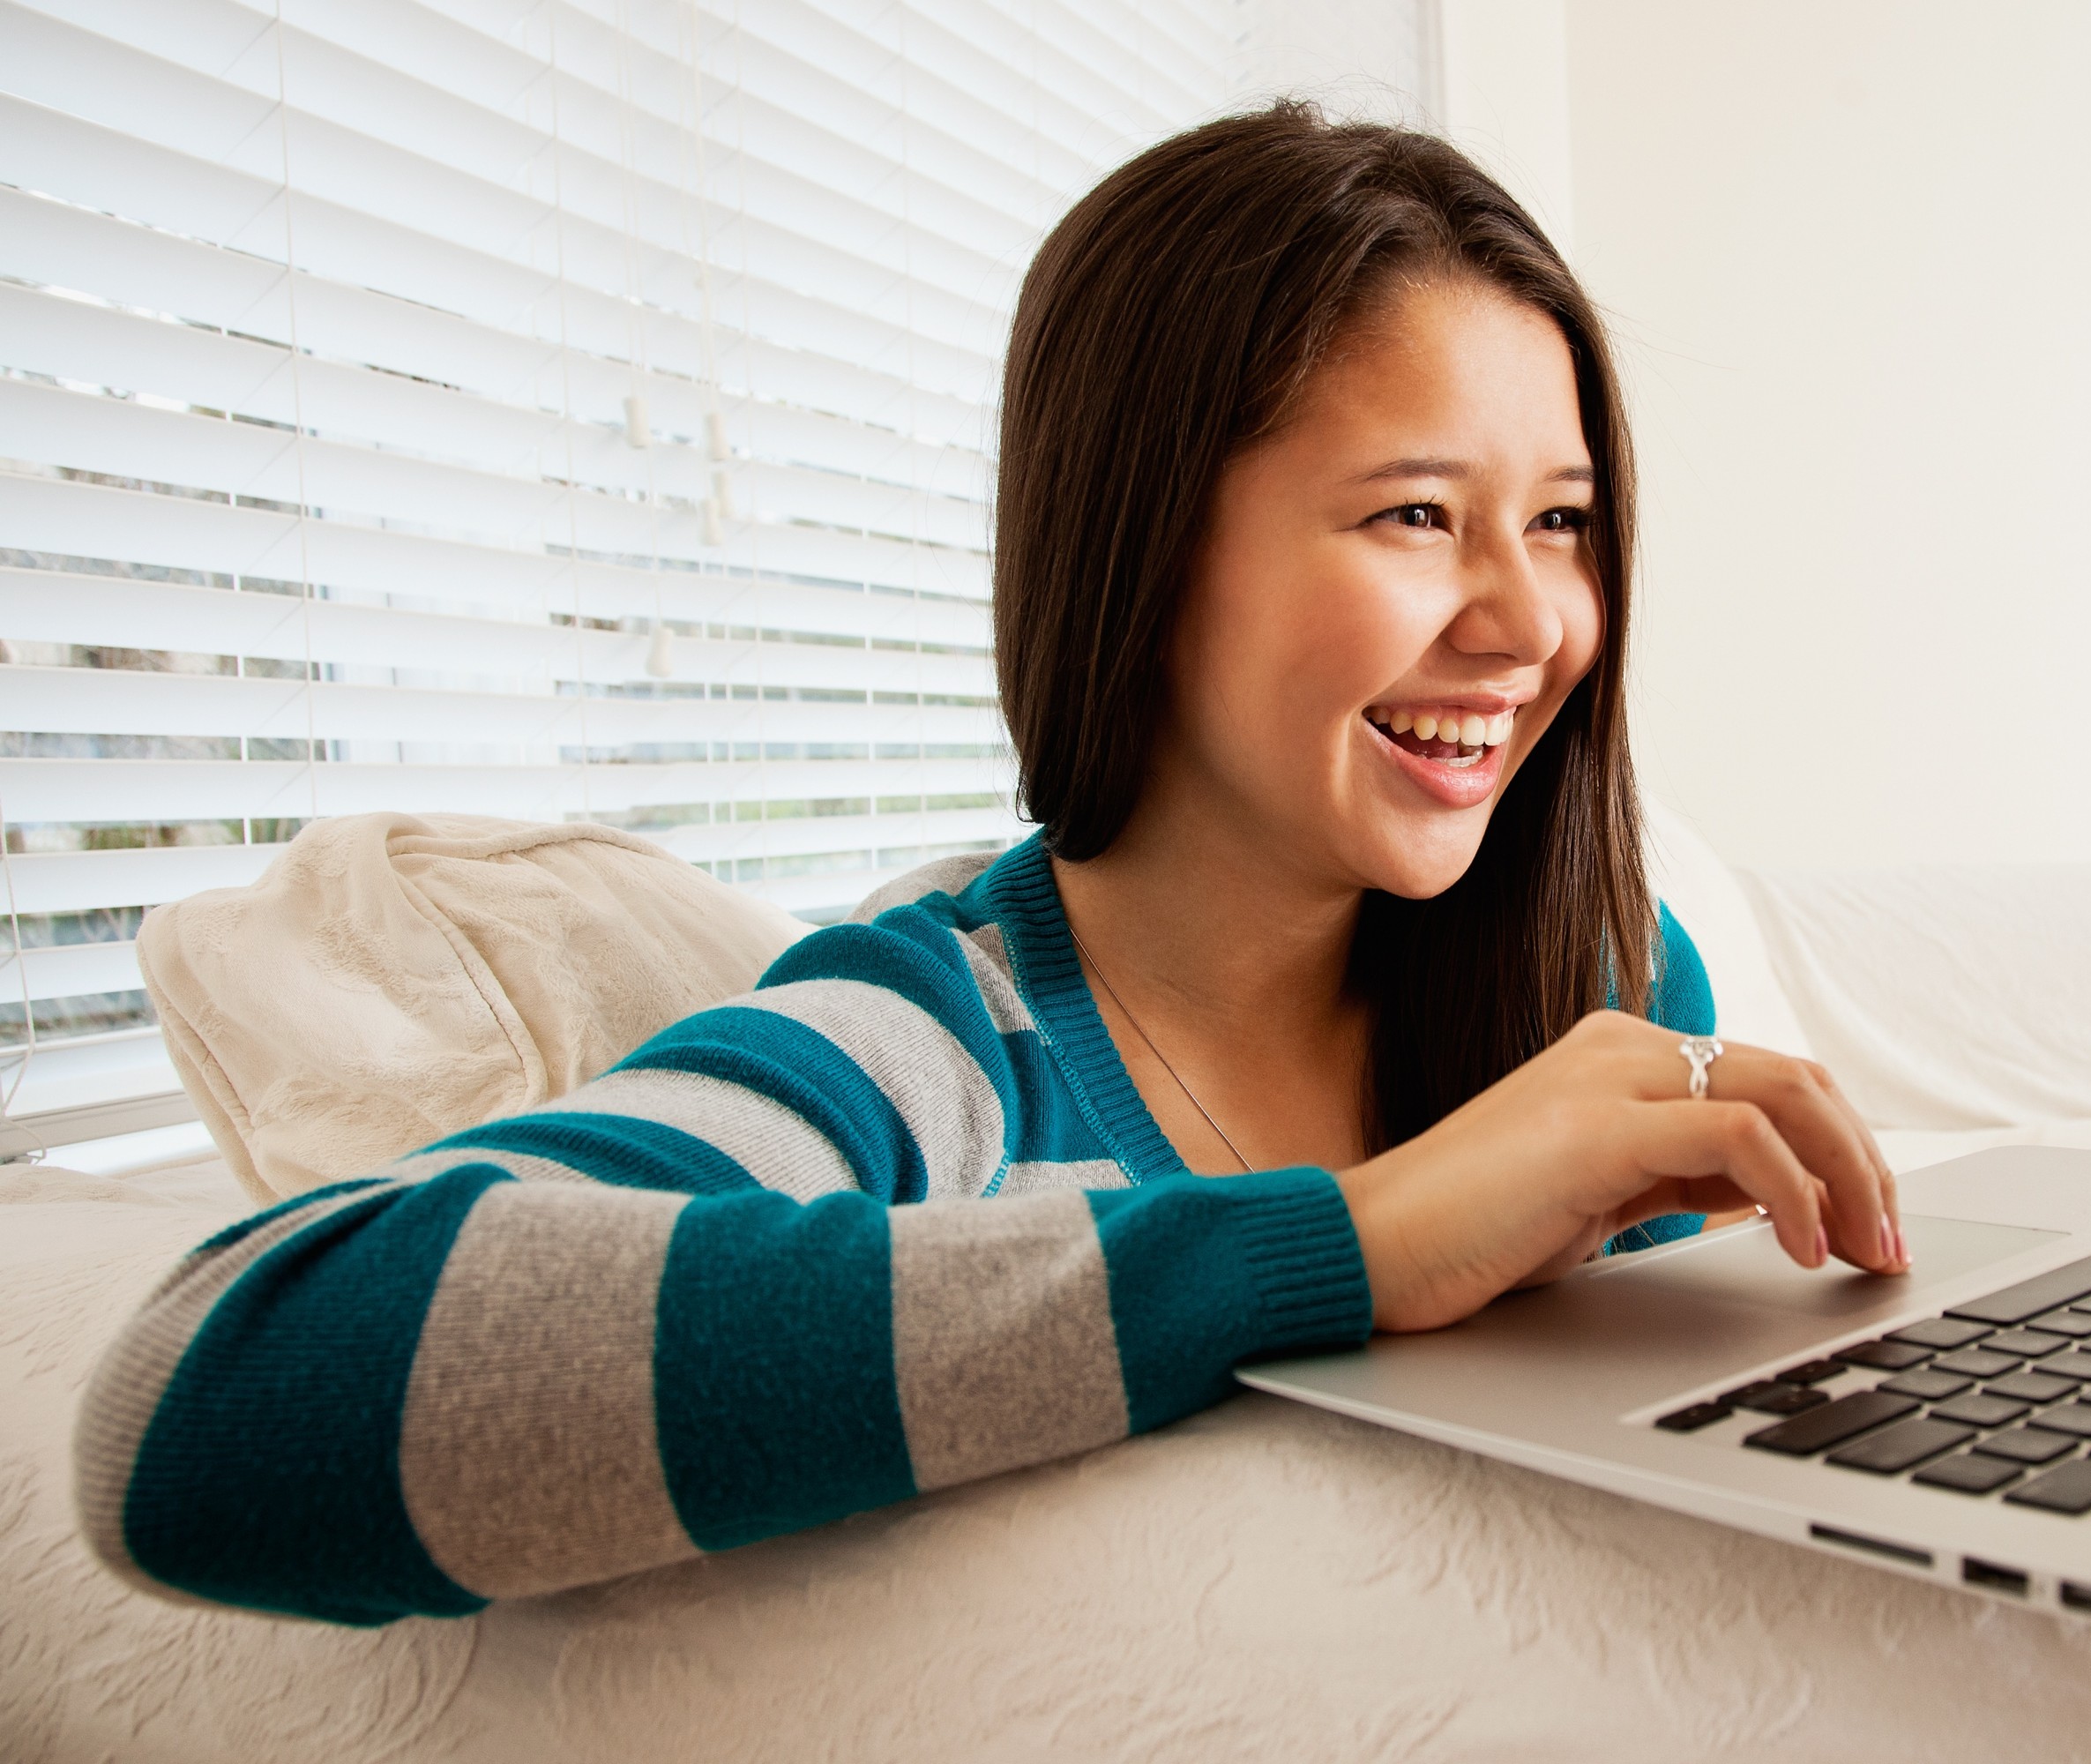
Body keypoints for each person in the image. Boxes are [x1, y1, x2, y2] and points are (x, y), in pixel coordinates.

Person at [73, 105, 1905, 1626]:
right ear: (1145, 540)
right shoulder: (930, 1041)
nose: (1526, 619)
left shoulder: (1599, 984)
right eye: (1416, 515)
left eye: (1564, 522)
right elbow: (209, 1406)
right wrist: (1347, 1248)